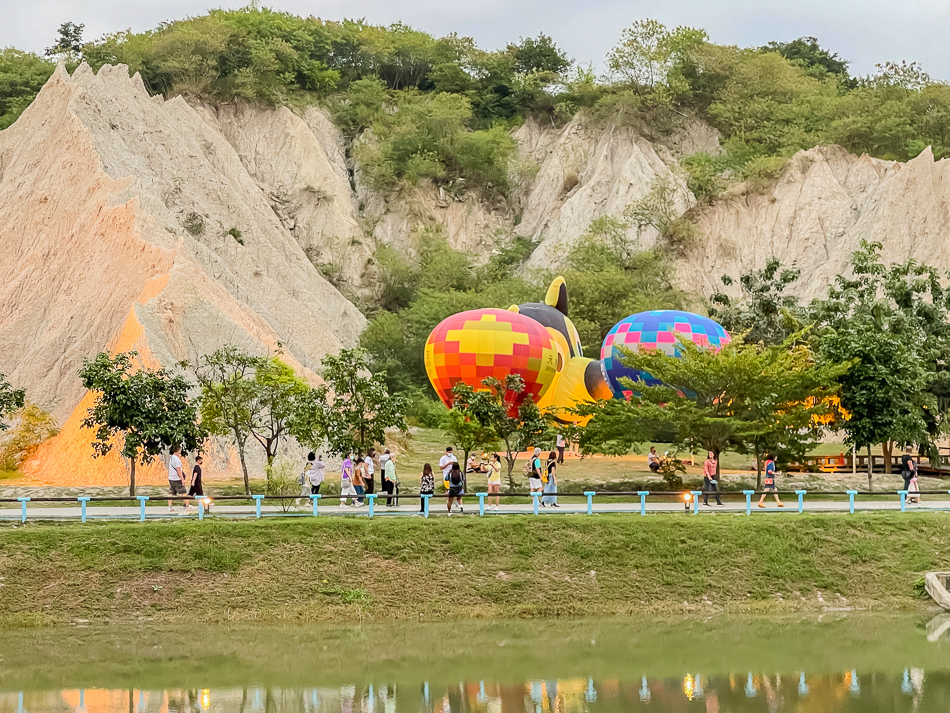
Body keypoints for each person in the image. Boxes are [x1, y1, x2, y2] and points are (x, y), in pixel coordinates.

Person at [167, 445, 188, 512]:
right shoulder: (177, 459)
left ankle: (170, 507)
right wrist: (182, 479)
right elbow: (179, 470)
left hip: (171, 478)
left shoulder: (171, 458)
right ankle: (187, 505)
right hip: (177, 479)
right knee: (183, 492)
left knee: (171, 493)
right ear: (178, 450)